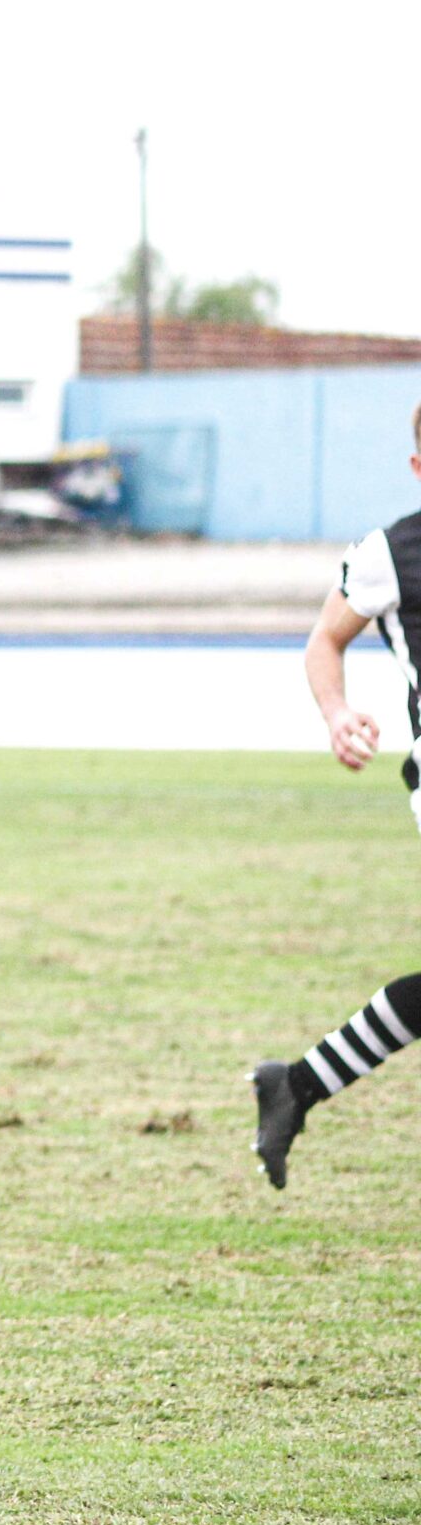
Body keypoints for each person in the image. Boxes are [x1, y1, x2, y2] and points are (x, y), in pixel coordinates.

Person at [250, 402, 421, 1188]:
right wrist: (336, 712)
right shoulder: (392, 552)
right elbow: (324, 639)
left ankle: (297, 1083)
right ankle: (296, 1083)